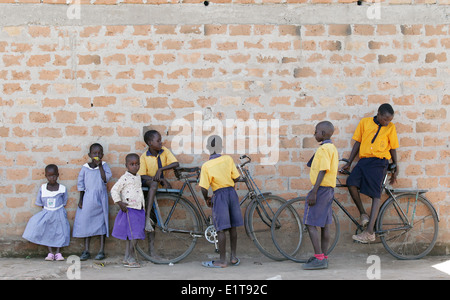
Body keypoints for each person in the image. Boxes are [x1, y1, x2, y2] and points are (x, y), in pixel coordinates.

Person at [341, 103, 399, 243]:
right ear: (378, 114)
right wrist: (349, 162)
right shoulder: (365, 122)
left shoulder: (390, 128)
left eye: (389, 120)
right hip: (364, 161)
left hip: (379, 163)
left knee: (375, 194)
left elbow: (393, 148)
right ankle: (363, 214)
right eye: (385, 119)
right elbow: (358, 143)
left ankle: (369, 232)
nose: (387, 122)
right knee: (351, 183)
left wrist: (396, 166)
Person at [199, 135, 243, 268]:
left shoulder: (206, 166)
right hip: (231, 193)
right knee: (232, 227)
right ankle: (233, 257)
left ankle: (223, 260)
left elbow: (203, 187)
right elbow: (236, 178)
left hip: (219, 195)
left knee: (221, 229)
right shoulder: (228, 159)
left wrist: (207, 198)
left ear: (207, 148)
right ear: (221, 147)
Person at [302, 121, 339, 270]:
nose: (314, 134)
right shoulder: (332, 148)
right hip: (329, 190)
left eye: (316, 131)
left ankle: (318, 258)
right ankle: (323, 256)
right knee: (324, 225)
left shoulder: (324, 149)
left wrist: (314, 192)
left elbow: (323, 170)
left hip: (321, 190)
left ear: (323, 134)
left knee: (310, 223)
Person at [138, 129, 179, 256]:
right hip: (147, 184)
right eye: (158, 140)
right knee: (153, 184)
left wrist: (161, 170)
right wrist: (160, 179)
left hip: (155, 187)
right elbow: (142, 176)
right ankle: (146, 218)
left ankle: (151, 251)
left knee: (154, 222)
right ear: (150, 143)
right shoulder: (144, 156)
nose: (161, 142)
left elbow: (176, 163)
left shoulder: (164, 151)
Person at [22, 164, 70, 261]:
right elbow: (41, 202)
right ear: (46, 176)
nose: (52, 178)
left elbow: (64, 201)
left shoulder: (62, 188)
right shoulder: (43, 188)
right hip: (47, 212)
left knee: (60, 232)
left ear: (58, 175)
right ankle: (50, 253)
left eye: (54, 175)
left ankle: (58, 252)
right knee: (47, 231)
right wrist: (48, 211)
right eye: (49, 176)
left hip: (59, 213)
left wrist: (57, 210)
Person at [73, 143, 112, 261]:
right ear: (90, 155)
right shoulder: (85, 168)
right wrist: (81, 200)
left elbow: (105, 179)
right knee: (86, 222)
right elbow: (81, 185)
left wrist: (99, 166)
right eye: (95, 153)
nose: (97, 155)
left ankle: (101, 250)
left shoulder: (104, 166)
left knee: (102, 223)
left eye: (100, 153)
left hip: (101, 198)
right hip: (88, 198)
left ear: (103, 155)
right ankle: (86, 250)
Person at [111, 153, 146, 268]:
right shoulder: (124, 178)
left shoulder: (138, 177)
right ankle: (131, 257)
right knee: (133, 236)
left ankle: (127, 257)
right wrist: (119, 202)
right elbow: (114, 190)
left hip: (139, 209)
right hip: (130, 210)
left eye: (137, 164)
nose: (135, 166)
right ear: (126, 165)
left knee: (132, 236)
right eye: (132, 164)